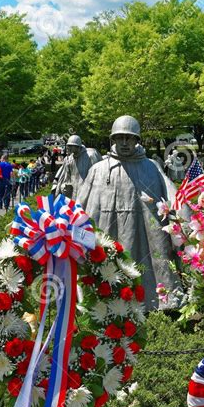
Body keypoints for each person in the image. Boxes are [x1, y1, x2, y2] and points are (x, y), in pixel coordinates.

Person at [78, 115, 181, 311]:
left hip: (144, 233)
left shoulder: (150, 166)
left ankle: (156, 300)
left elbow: (172, 196)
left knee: (148, 264)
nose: (125, 143)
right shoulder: (98, 169)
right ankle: (102, 303)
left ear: (137, 140)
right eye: (120, 138)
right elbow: (80, 205)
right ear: (113, 140)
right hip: (108, 231)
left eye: (130, 138)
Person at [52, 135, 101, 200]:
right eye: (68, 145)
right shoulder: (70, 159)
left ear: (77, 146)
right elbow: (67, 177)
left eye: (70, 146)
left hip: (87, 194)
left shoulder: (90, 156)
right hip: (74, 194)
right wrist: (64, 186)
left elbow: (98, 175)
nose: (68, 148)